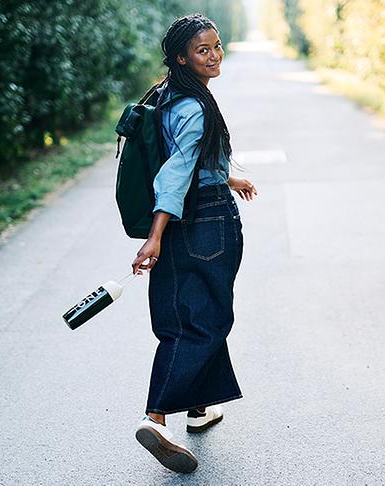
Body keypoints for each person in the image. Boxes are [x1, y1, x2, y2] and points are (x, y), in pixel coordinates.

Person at [129, 14, 257, 474]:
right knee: (206, 320)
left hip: (191, 211)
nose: (214, 55)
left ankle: (201, 407)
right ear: (183, 57)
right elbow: (175, 172)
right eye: (203, 50)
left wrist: (228, 175)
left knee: (184, 312)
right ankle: (156, 417)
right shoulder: (196, 107)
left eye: (217, 46)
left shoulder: (167, 95)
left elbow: (189, 159)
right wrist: (155, 235)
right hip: (205, 221)